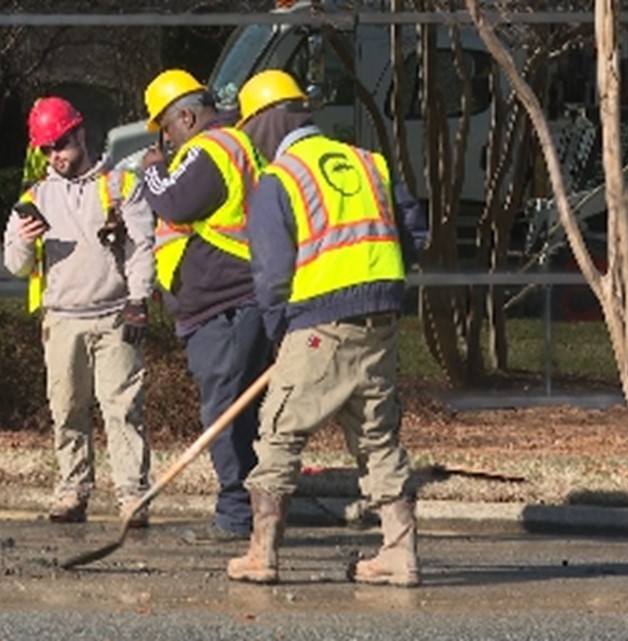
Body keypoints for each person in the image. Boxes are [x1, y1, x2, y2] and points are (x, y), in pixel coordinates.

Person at [226, 70, 428, 587]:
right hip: (379, 323)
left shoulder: (280, 180)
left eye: (249, 130)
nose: (250, 143)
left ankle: (262, 553)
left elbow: (271, 278)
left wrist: (280, 338)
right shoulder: (369, 163)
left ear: (269, 121)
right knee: (378, 439)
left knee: (278, 434)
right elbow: (415, 230)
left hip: (317, 325)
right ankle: (399, 553)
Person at [3, 96, 156, 527]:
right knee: (67, 408)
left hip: (114, 315)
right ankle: (72, 489)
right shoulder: (35, 197)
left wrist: (138, 301)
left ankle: (132, 495)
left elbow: (143, 246)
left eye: (62, 144)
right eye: (48, 149)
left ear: (80, 133)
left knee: (122, 408)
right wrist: (25, 240)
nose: (57, 156)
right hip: (62, 318)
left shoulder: (121, 185)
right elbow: (15, 266)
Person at [138, 69, 272, 543]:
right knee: (238, 412)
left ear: (187, 117)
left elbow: (176, 203)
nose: (165, 140)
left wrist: (151, 168)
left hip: (227, 305)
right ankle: (249, 511)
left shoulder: (209, 149)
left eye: (165, 129)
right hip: (230, 303)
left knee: (226, 413)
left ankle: (237, 517)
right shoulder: (235, 146)